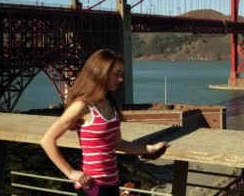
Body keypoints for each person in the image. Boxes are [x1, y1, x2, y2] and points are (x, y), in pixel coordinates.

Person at [41, 49, 169, 196]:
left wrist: (149, 148)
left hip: (112, 183)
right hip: (92, 186)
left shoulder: (110, 104)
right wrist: (70, 172)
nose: (121, 79)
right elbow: (47, 140)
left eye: (121, 74)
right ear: (100, 73)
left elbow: (118, 143)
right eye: (116, 74)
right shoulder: (82, 106)